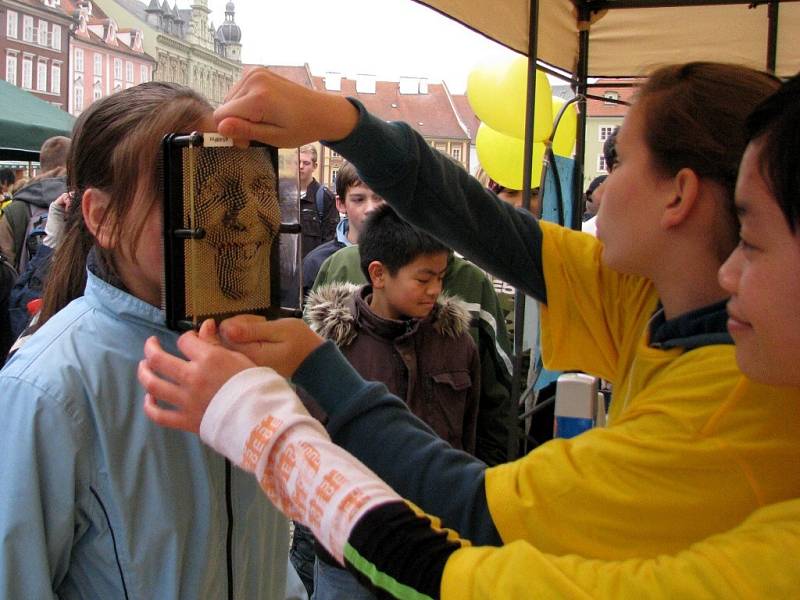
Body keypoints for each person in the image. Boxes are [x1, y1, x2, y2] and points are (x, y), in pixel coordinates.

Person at [139, 66, 800, 596]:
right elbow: (484, 224)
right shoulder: (660, 298)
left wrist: (264, 416)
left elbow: (468, 524)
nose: (598, 190)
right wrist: (341, 121)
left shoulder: (722, 409)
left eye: (618, 157)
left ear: (677, 197)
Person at [0, 82, 289, 598]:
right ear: (101, 218)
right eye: (191, 191)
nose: (241, 219)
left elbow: (265, 555)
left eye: (235, 184)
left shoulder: (249, 353)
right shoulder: (47, 391)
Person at [305, 203, 480, 599]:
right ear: (378, 274)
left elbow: (475, 432)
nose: (436, 289)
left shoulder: (456, 343)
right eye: (423, 278)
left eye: (441, 276)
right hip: (347, 555)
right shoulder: (331, 348)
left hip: (434, 552)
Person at [301, 161, 384, 298]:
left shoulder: (408, 258)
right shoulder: (317, 263)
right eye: (359, 199)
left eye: (379, 198)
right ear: (341, 204)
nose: (371, 209)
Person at [0, 136, 69, 273]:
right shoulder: (85, 203)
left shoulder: (15, 210)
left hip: (27, 290)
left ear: (42, 164)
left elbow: (5, 268)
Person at [298, 144, 338, 258]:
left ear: (314, 166)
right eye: (298, 162)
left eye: (306, 163)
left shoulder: (324, 197)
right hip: (287, 267)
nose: (301, 166)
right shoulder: (285, 194)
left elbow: (330, 240)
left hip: (313, 269)